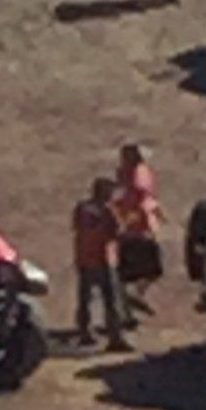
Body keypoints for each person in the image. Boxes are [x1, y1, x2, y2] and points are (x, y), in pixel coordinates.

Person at [71, 176, 132, 350]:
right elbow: (117, 231)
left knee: (85, 299)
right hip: (103, 258)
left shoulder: (81, 208)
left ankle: (84, 332)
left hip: (84, 257)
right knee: (111, 301)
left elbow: (76, 228)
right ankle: (115, 338)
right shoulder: (107, 210)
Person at [113, 141, 164, 314]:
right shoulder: (133, 179)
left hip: (136, 227)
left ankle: (132, 299)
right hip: (137, 230)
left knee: (146, 270)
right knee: (143, 269)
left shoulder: (135, 174)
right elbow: (135, 200)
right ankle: (129, 304)